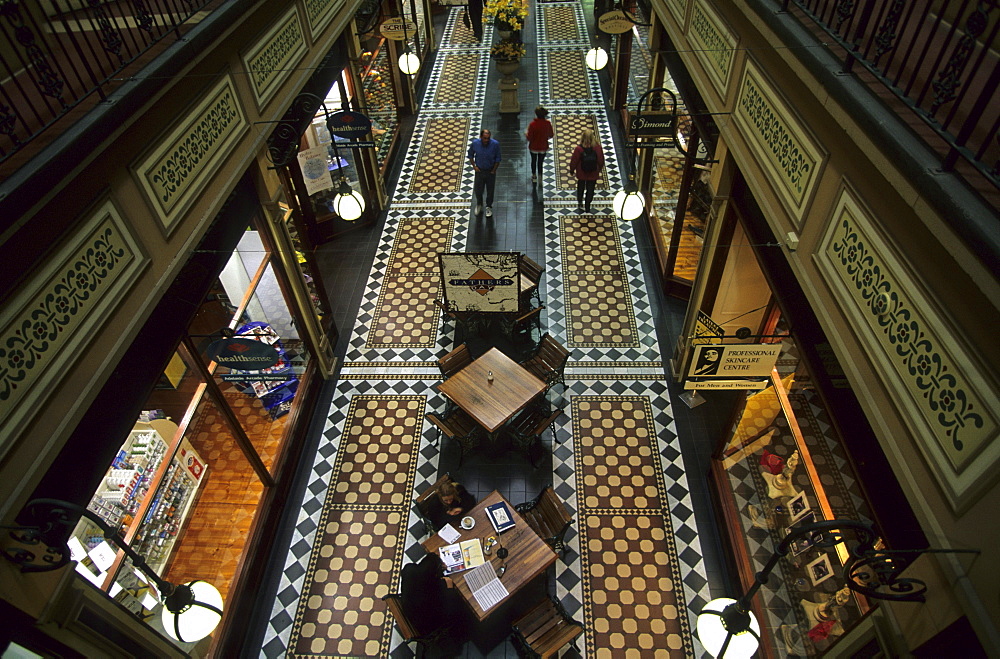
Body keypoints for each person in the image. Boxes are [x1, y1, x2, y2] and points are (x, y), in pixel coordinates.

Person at [399, 553, 461, 636]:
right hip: (426, 625)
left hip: (409, 607)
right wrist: (449, 589)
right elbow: (448, 609)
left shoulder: (408, 568)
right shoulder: (435, 588)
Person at [569, 128, 604, 213]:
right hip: (593, 172)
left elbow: (574, 160)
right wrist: (599, 168)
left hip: (581, 172)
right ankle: (587, 205)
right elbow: (601, 160)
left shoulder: (579, 149)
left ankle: (580, 201)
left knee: (581, 186)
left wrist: (572, 170)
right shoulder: (597, 148)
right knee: (590, 189)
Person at [468, 128, 501, 217]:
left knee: (490, 190)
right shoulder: (475, 143)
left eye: (488, 138)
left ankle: (488, 206)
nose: (486, 140)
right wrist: (474, 166)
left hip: (490, 171)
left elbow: (498, 158)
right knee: (478, 189)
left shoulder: (495, 144)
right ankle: (479, 204)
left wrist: (494, 170)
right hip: (480, 170)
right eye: (485, 138)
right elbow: (470, 154)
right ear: (481, 137)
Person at [525, 106, 553, 183]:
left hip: (534, 147)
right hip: (543, 146)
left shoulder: (533, 124)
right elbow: (551, 134)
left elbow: (529, 137)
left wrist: (526, 133)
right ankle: (540, 176)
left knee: (533, 161)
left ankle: (534, 176)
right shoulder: (547, 123)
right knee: (540, 162)